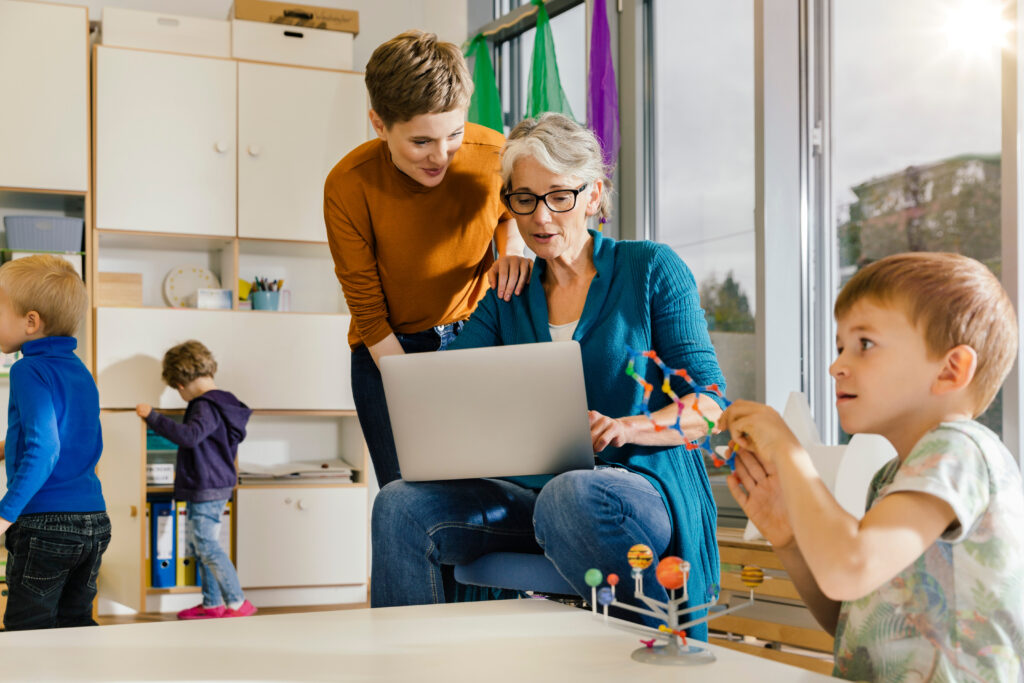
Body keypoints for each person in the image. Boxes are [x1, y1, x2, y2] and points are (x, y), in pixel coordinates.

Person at [370, 113, 726, 638]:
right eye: (524, 200)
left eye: (559, 196)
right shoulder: (508, 292)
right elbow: (450, 389)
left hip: (633, 488)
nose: (541, 217)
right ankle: (416, 666)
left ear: (593, 194)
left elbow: (709, 403)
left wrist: (628, 428)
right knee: (399, 503)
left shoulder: (649, 268)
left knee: (570, 494)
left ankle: (638, 651)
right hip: (528, 497)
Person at [719, 252, 1024, 681]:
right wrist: (789, 537)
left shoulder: (961, 449)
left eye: (864, 344)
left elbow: (850, 568)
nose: (836, 365)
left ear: (951, 369)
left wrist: (789, 451)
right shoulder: (891, 477)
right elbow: (849, 618)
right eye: (840, 345)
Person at [325, 30, 533, 488]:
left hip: (474, 336)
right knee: (410, 501)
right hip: (387, 349)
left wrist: (512, 248)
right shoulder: (347, 185)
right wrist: (415, 387)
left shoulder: (494, 154)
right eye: (421, 142)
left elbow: (507, 209)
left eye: (453, 134)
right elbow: (367, 308)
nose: (441, 156)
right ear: (379, 124)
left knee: (488, 492)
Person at [0, 255, 109, 631]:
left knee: (27, 630)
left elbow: (45, 449)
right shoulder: (81, 371)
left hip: (45, 523)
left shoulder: (27, 368)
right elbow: (76, 438)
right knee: (74, 624)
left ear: (31, 322)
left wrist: (5, 513)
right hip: (94, 520)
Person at [136, 340, 255, 620]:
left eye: (177, 388)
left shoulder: (205, 405)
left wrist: (153, 416)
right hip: (216, 482)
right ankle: (212, 603)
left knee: (207, 546)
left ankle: (237, 602)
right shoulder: (225, 402)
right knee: (204, 547)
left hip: (207, 484)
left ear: (181, 382)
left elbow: (189, 436)